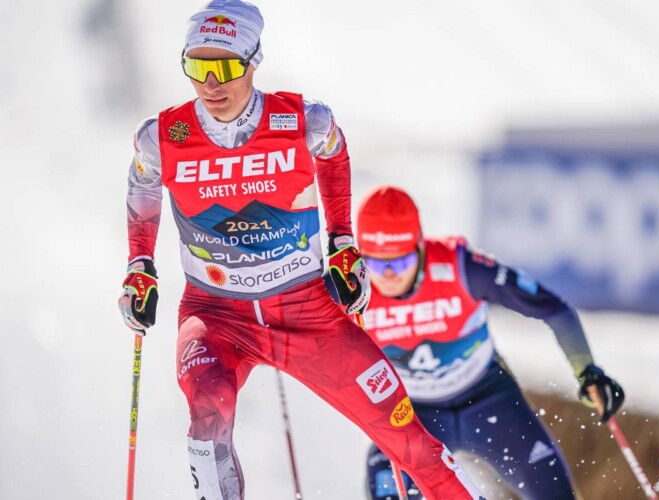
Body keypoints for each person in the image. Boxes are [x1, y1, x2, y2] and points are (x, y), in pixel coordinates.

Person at [116, 2, 486, 499]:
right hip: (215, 313)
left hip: (308, 311)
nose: (209, 84)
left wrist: (341, 238)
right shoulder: (163, 135)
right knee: (208, 409)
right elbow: (143, 184)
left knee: (408, 440)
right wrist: (140, 263)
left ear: (253, 61)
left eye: (223, 67)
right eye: (196, 67)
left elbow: (333, 151)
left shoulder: (300, 120)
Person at [350, 185, 625, 500]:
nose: (387, 275)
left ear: (420, 247)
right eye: (374, 263)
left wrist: (587, 370)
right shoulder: (351, 288)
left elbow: (553, 308)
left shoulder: (462, 267)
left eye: (398, 263)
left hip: (487, 400)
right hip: (412, 416)